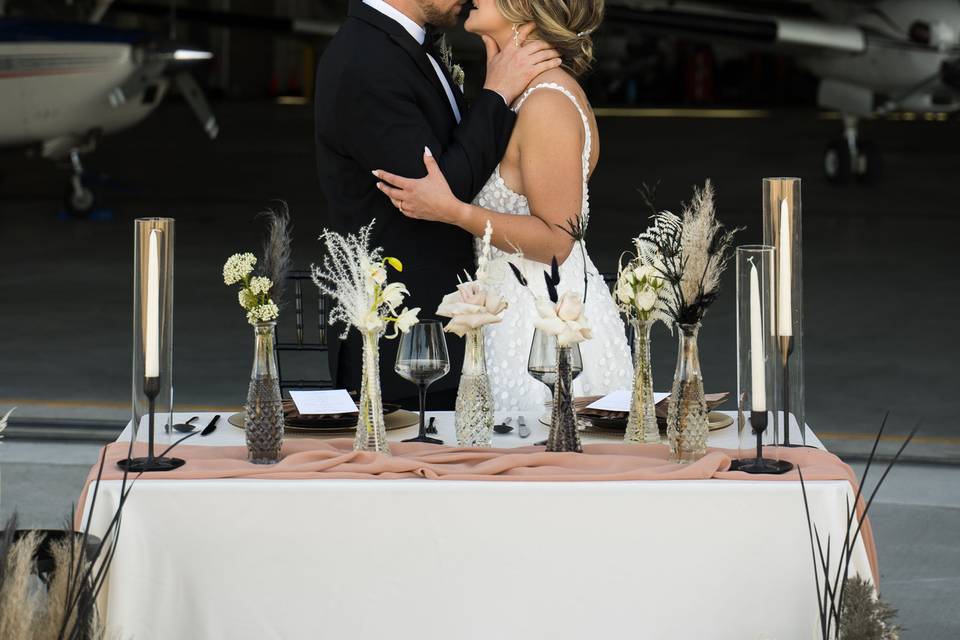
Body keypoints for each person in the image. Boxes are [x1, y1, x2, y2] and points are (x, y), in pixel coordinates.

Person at [372, 0, 633, 412]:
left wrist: (453, 210)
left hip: (543, 330)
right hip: (504, 317)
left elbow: (556, 242)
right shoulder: (517, 94)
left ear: (525, 9)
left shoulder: (547, 102)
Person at [314, 0, 562, 406]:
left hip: (442, 335)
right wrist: (496, 93)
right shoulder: (365, 61)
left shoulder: (404, 46)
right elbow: (436, 192)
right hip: (405, 346)